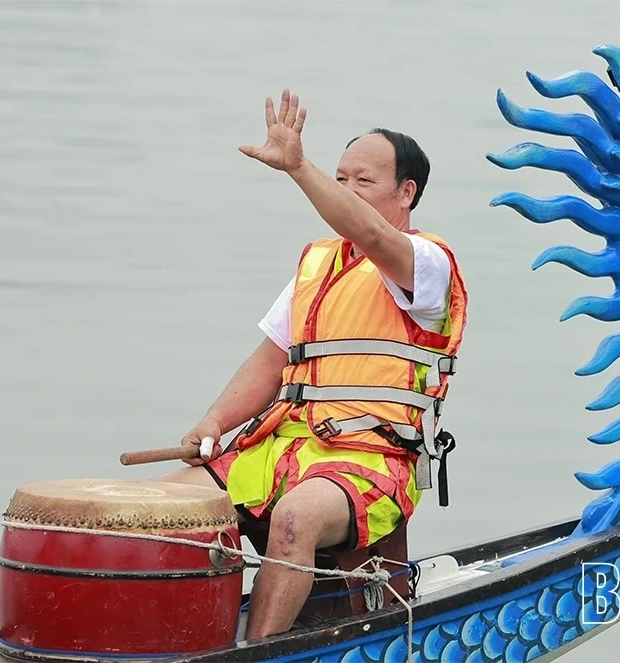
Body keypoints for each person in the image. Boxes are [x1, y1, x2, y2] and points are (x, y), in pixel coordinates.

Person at [157, 89, 468, 640]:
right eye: (340, 177)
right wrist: (213, 423)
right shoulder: (317, 265)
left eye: (362, 180)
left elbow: (371, 232)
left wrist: (299, 168)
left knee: (294, 518)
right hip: (282, 446)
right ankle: (172, 640)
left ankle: (258, 651)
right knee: (160, 508)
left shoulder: (428, 264)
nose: (345, 189)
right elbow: (269, 361)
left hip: (372, 460)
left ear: (407, 192)